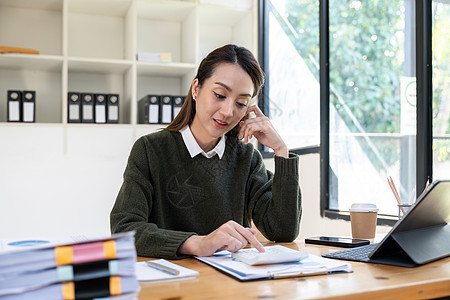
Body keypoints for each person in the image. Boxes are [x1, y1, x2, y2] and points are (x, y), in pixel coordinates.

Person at [110, 44, 302, 259]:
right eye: (220, 95)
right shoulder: (150, 150)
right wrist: (196, 243)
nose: (228, 112)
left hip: (229, 281)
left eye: (240, 103)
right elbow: (125, 229)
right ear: (196, 89)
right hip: (172, 281)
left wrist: (281, 151)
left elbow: (283, 231)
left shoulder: (246, 158)